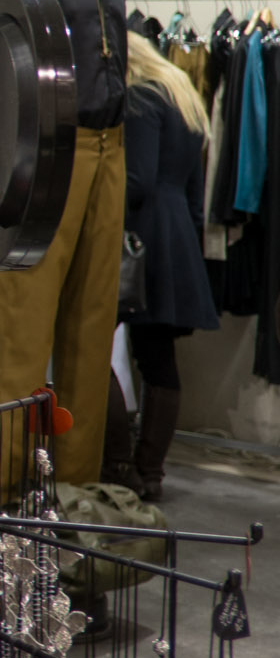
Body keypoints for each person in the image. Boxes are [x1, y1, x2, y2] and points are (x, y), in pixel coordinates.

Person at [103, 32, 218, 501]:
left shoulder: (140, 98)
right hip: (176, 242)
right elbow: (194, 194)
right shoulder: (184, 97)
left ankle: (118, 464)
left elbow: (136, 181)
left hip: (141, 240)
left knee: (92, 348)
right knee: (159, 362)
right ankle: (149, 470)